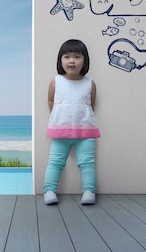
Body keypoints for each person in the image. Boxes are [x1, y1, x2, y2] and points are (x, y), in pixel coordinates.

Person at [43, 39, 100, 205]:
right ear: (61, 60)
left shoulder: (90, 83)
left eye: (77, 56)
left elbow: (90, 105)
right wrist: (60, 118)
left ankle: (89, 191)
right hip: (60, 131)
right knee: (55, 162)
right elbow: (51, 100)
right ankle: (49, 190)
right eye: (67, 57)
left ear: (85, 61)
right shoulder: (56, 81)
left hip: (86, 132)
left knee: (87, 163)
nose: (72, 61)